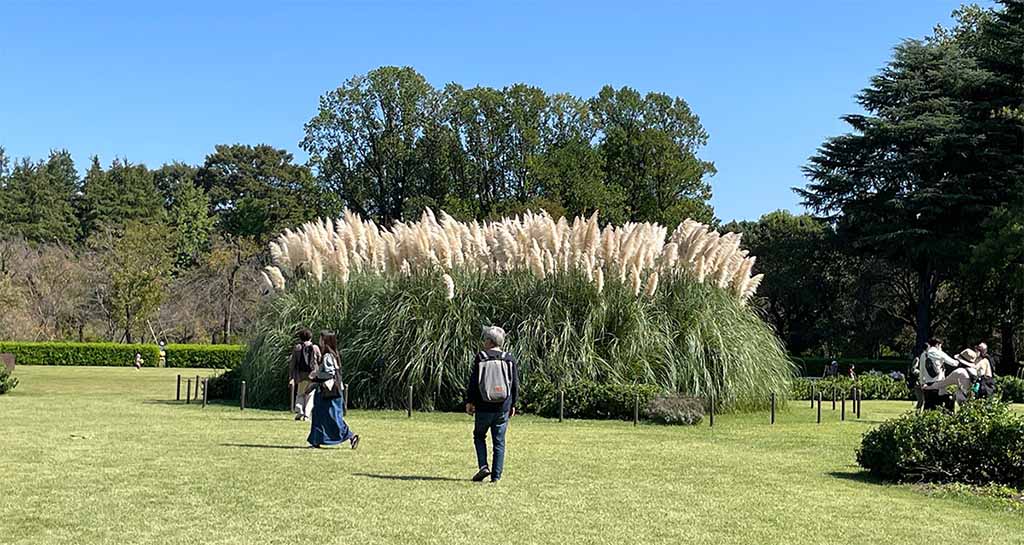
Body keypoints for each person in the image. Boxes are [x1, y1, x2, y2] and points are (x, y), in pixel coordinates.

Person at [465, 326, 519, 483]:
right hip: (503, 406)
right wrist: (513, 403)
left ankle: (483, 466)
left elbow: (474, 382)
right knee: (499, 441)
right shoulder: (509, 358)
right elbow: (514, 384)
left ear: (490, 341)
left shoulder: (481, 357)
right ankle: (496, 476)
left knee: (479, 435)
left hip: (483, 406)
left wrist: (470, 401)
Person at [307, 331, 359, 449]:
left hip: (328, 392)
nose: (319, 341)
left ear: (325, 341)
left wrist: (316, 376)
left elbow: (330, 373)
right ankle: (316, 441)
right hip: (329, 391)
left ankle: (351, 436)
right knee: (321, 415)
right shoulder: (332, 355)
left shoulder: (327, 356)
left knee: (331, 417)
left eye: (321, 339)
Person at [288, 328, 321, 421]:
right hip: (312, 375)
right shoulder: (315, 348)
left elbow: (292, 363)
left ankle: (299, 410)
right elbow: (319, 359)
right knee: (310, 395)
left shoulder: (297, 347)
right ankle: (307, 414)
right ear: (310, 337)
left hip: (301, 375)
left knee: (300, 393)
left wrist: (291, 376)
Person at [919, 338, 957, 410]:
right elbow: (953, 363)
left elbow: (921, 370)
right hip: (938, 384)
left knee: (928, 405)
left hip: (927, 384)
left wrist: (922, 382)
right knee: (941, 403)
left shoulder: (923, 354)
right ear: (937, 345)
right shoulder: (939, 353)